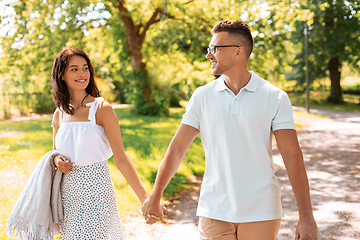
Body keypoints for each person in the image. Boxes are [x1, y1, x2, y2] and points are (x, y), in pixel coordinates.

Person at [142, 20, 318, 240]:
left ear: (238, 51)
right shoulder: (202, 96)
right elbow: (177, 148)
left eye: (214, 48)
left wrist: (306, 216)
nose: (209, 55)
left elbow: (292, 155)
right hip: (214, 210)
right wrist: (155, 196)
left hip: (261, 211)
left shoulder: (274, 97)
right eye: (209, 49)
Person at [51, 47, 155, 239]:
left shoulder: (102, 109)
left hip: (97, 189)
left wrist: (145, 198)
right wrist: (57, 161)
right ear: (61, 75)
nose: (82, 74)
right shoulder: (59, 113)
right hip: (68, 193)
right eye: (74, 69)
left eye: (85, 68)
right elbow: (55, 153)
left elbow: (121, 157)